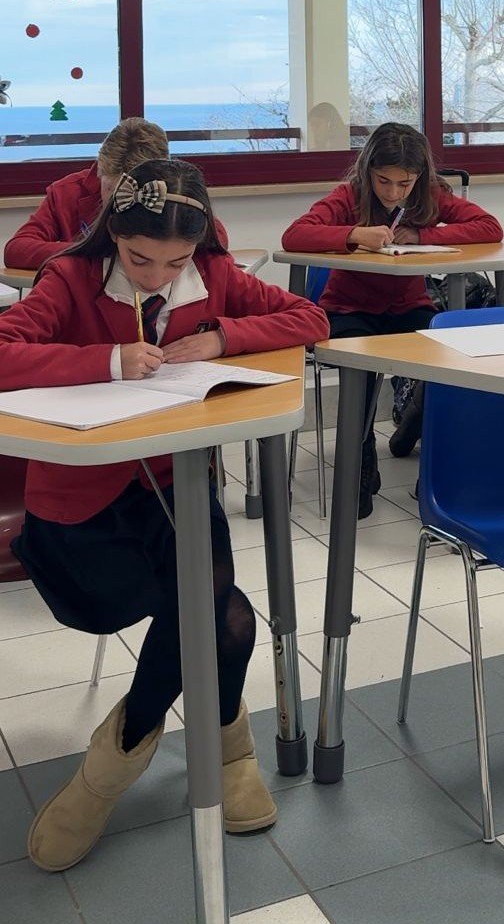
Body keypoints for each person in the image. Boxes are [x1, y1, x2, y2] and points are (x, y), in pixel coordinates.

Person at [0, 158, 327, 873]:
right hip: (79, 503)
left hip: (175, 487)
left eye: (175, 261)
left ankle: (110, 771)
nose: (156, 277)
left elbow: (311, 317)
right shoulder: (70, 277)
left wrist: (222, 338)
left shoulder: (211, 273)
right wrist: (106, 360)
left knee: (225, 615)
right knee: (209, 613)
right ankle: (226, 738)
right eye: (138, 258)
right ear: (111, 234)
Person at [281, 122, 502, 515]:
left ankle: (432, 459)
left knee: (448, 364)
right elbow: (295, 235)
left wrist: (422, 236)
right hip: (349, 309)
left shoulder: (429, 195)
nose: (394, 192)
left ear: (420, 177)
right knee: (360, 373)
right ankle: (360, 462)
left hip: (408, 307)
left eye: (405, 183)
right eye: (384, 181)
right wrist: (353, 235)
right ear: (368, 170)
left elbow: (490, 228)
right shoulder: (349, 195)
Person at [3, 117, 229, 267]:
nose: (120, 201)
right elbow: (16, 250)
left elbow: (217, 240)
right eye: (112, 190)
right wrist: (96, 249)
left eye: (131, 190)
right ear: (98, 170)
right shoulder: (66, 192)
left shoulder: (173, 192)